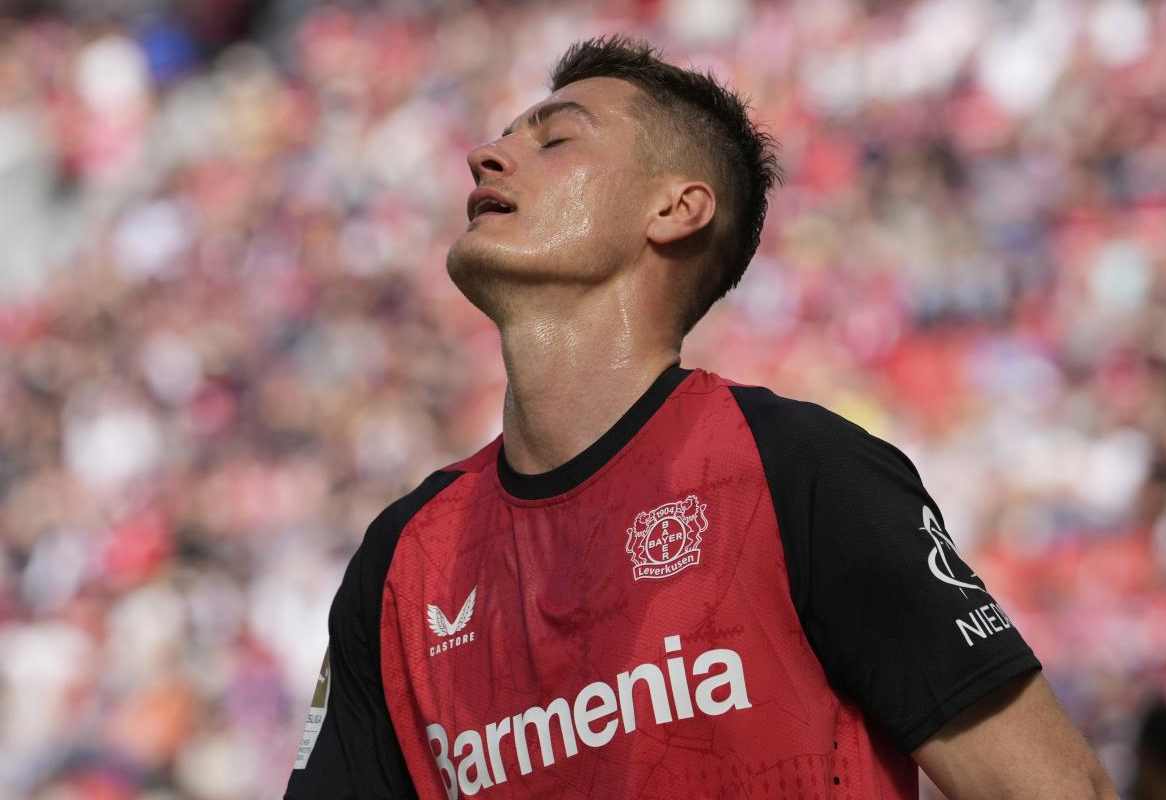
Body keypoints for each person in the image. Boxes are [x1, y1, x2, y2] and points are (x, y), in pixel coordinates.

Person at [284, 34, 1116, 799]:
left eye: (556, 139)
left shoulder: (802, 474)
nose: (484, 155)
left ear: (677, 208)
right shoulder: (403, 561)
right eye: (502, 138)